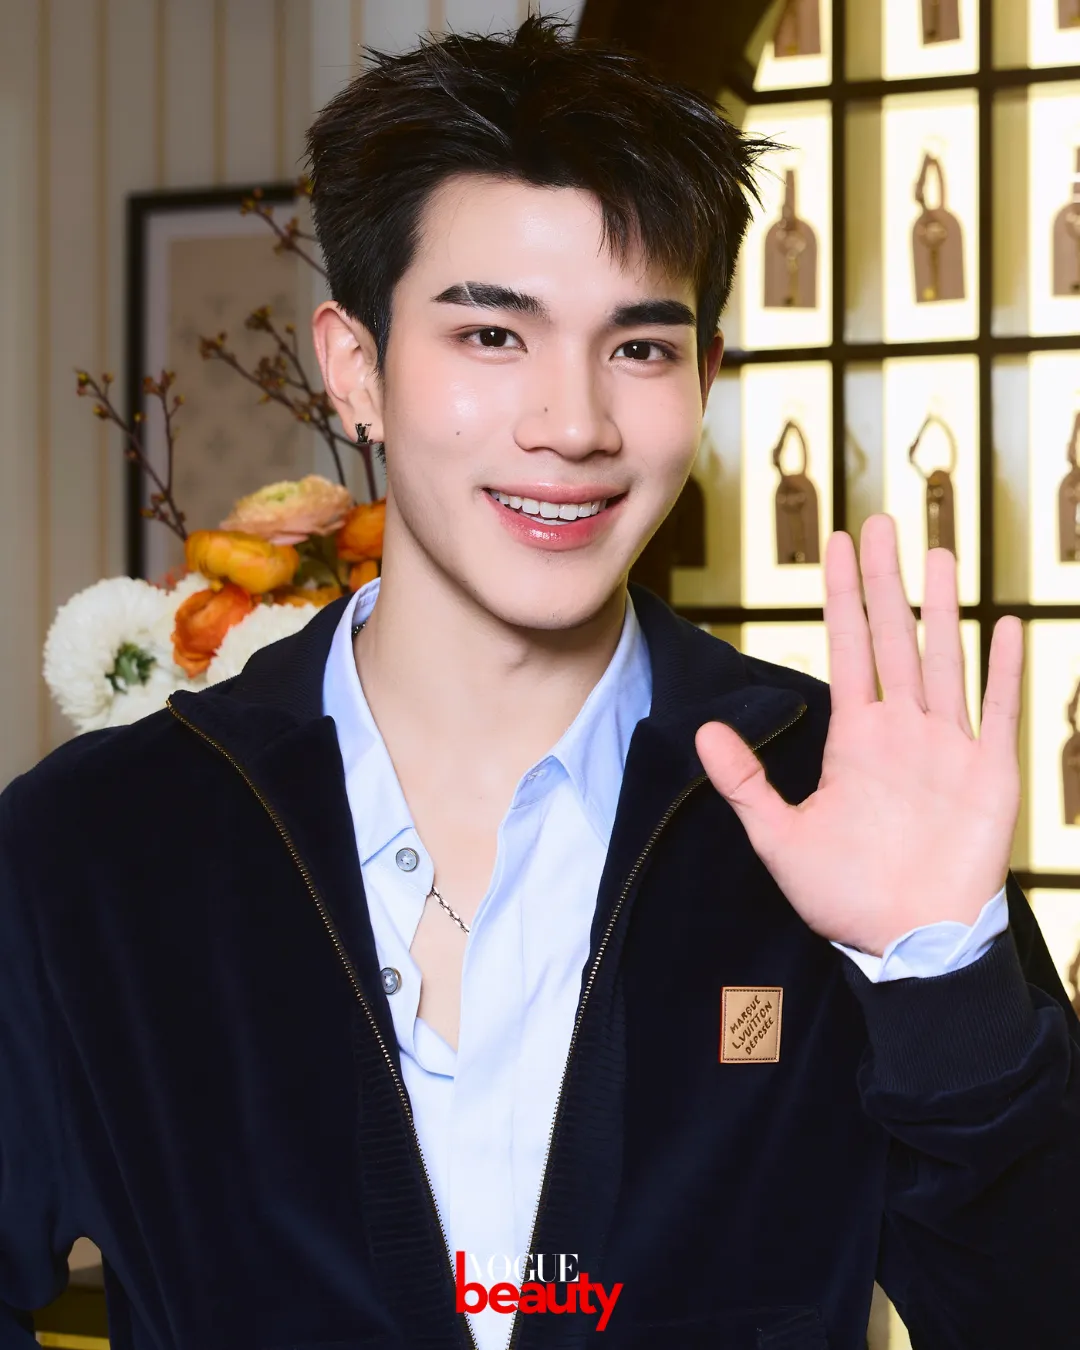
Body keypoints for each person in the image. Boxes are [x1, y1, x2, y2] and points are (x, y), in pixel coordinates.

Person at [1, 14, 1078, 1350]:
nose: (573, 425)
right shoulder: (99, 842)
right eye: (491, 336)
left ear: (706, 378)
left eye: (641, 347)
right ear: (355, 370)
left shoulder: (838, 794)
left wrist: (942, 977)